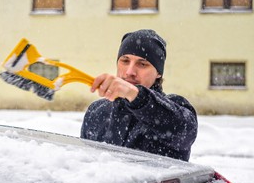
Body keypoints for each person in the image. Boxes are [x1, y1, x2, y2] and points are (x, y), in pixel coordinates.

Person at [81, 29, 197, 161]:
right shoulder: (97, 111)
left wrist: (136, 95)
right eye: (125, 61)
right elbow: (86, 164)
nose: (130, 72)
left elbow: (185, 134)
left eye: (142, 64)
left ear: (159, 73)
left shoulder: (174, 107)